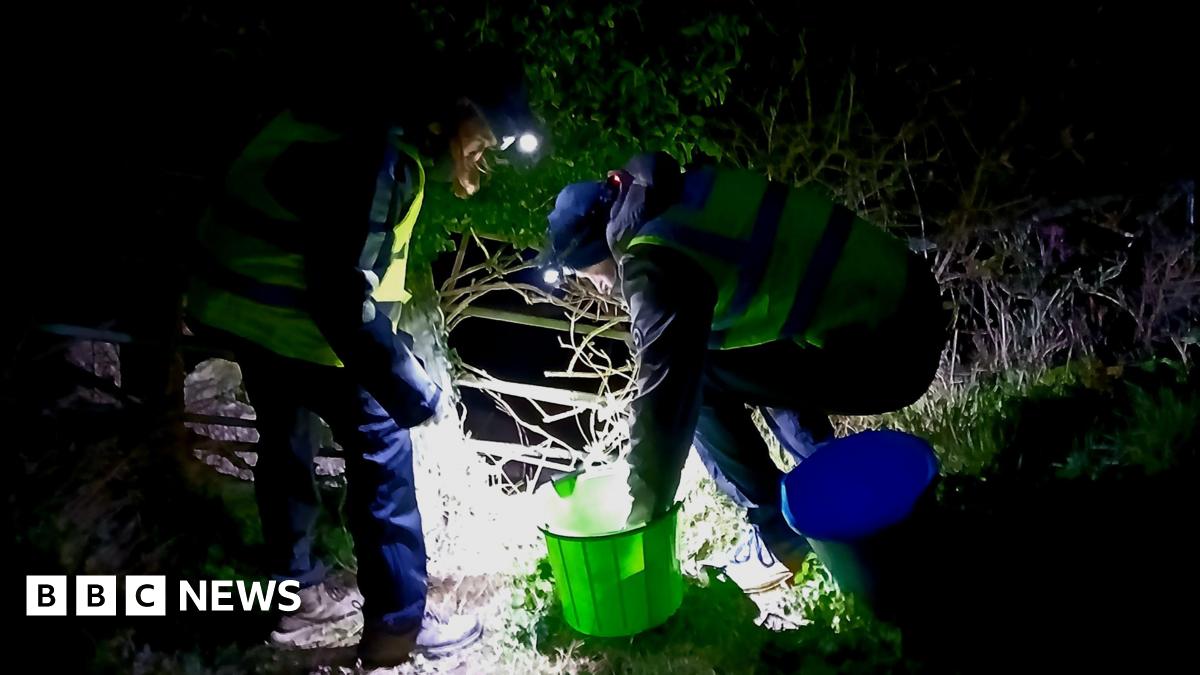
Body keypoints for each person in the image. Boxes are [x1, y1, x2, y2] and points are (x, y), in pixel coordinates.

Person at [185, 24, 539, 665]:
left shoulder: (344, 108)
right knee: (382, 459)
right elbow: (339, 296)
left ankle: (295, 598)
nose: (489, 150)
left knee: (284, 443)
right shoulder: (380, 156)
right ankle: (397, 633)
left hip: (242, 309)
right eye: (490, 134)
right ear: (459, 110)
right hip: (302, 323)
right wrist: (411, 389)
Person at [543, 152, 949, 593]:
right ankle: (832, 496)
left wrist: (640, 516)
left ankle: (782, 540)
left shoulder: (655, 259)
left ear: (600, 248)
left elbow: (664, 400)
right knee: (725, 350)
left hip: (889, 348)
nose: (598, 286)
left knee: (696, 376)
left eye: (591, 273)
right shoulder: (685, 191)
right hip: (908, 304)